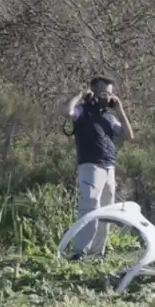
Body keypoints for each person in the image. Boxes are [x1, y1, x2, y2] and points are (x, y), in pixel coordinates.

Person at [63, 75, 134, 260]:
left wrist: (120, 110)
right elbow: (67, 111)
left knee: (106, 210)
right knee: (89, 205)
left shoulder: (109, 116)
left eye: (110, 93)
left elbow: (128, 135)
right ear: (93, 91)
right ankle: (80, 251)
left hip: (109, 165)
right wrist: (79, 94)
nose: (107, 97)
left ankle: (97, 252)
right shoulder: (83, 110)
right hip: (90, 164)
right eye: (103, 93)